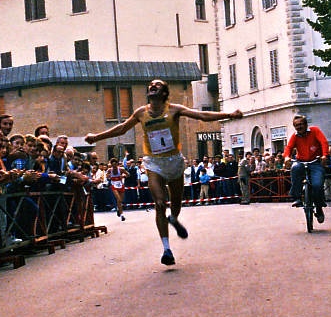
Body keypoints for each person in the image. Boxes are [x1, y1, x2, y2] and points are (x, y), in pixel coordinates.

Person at [85, 79, 242, 266]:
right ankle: (167, 249)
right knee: (160, 203)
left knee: (176, 201)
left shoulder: (174, 109)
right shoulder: (141, 112)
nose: (152, 86)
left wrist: (229, 115)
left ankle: (174, 219)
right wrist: (96, 137)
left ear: (164, 93)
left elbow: (201, 115)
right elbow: (121, 128)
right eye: (151, 85)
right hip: (153, 163)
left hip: (174, 161)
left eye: (157, 85)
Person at [284, 114, 329, 224]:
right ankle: (297, 197)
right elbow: (289, 147)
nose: (299, 127)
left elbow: (324, 142)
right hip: (300, 162)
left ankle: (319, 207)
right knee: (295, 169)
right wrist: (286, 157)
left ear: (306, 124)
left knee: (317, 185)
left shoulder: (315, 130)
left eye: (301, 124)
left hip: (315, 162)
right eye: (296, 125)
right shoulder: (294, 136)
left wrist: (324, 155)